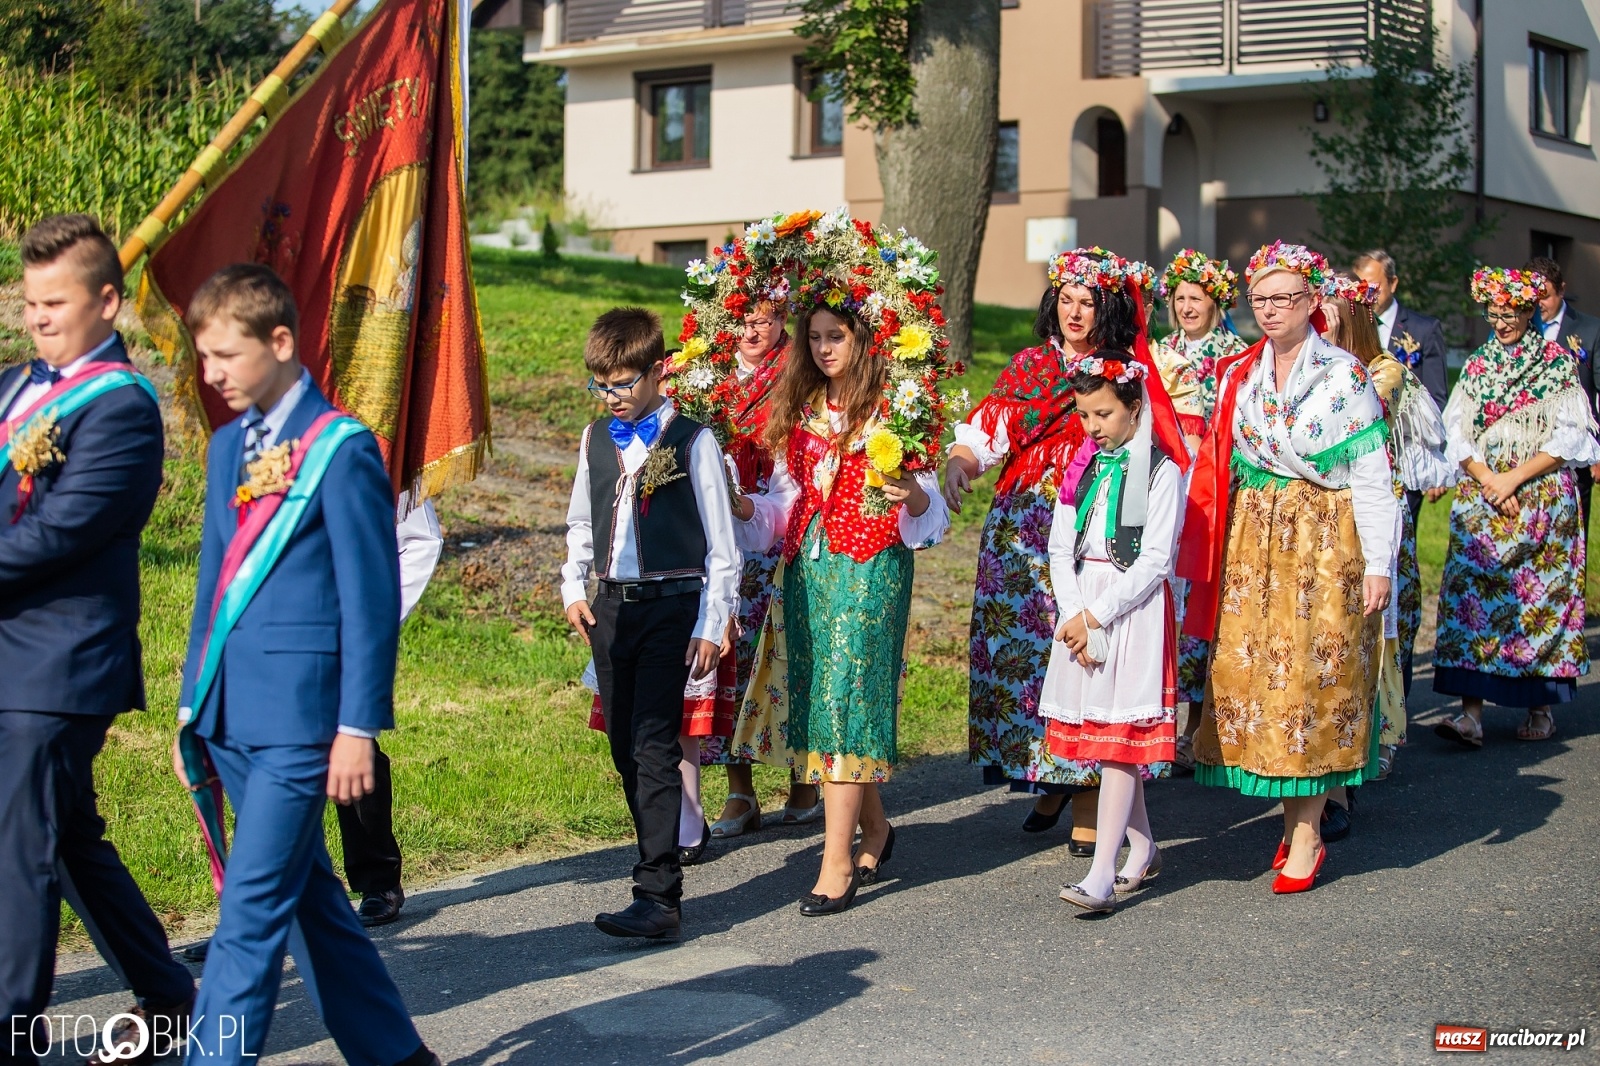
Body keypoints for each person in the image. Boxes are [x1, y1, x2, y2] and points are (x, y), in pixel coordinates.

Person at [173, 264, 438, 1066]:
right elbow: (211, 587)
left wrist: (358, 726)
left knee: (248, 919)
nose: (210, 374)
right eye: (204, 356)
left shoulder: (342, 450)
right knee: (311, 905)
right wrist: (193, 706)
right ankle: (397, 1056)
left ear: (281, 341)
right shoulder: (227, 448)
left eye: (224, 355)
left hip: (300, 725)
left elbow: (369, 596)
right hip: (229, 716)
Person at [0, 214, 195, 1065]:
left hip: (58, 660)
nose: (38, 318)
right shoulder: (14, 386)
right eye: (28, 301)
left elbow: (64, 531)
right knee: (67, 838)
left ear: (107, 302)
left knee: (17, 851)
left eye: (56, 302)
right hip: (10, 652)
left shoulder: (121, 407)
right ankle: (167, 992)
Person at [947, 248, 1186, 854]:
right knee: (1027, 658)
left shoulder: (1125, 374)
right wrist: (960, 463)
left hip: (1095, 529)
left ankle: (1085, 794)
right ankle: (1047, 776)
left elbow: (1152, 452)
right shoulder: (1028, 366)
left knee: (1089, 653)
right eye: (1067, 300)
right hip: (1023, 532)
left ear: (1106, 309)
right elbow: (986, 434)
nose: (1075, 312)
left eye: (1088, 302)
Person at [1180, 241, 1397, 895]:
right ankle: (1289, 823)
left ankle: (1306, 833)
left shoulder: (1344, 377)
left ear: (1311, 302)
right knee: (1260, 682)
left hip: (1324, 540)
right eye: (1261, 300)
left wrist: (1379, 564)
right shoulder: (1241, 374)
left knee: (1306, 682)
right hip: (1256, 539)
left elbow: (1372, 475)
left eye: (1284, 298)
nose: (1271, 311)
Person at [732, 300, 950, 915]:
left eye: (839, 336)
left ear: (865, 338)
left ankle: (834, 862)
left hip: (872, 564)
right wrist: (749, 511)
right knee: (820, 696)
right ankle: (874, 827)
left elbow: (928, 510)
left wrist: (910, 493)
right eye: (817, 337)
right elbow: (786, 499)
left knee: (848, 695)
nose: (826, 348)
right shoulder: (801, 409)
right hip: (809, 566)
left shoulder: (898, 407)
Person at [561, 307, 739, 940]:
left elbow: (723, 546)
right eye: (601, 385)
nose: (612, 397)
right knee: (623, 748)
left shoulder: (694, 440)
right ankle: (656, 864)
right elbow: (582, 522)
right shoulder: (593, 440)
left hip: (673, 605)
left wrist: (712, 623)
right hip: (610, 608)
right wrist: (571, 586)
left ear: (659, 372)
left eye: (624, 384)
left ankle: (658, 891)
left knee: (655, 742)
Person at [1432, 267, 1600, 748]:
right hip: (1485, 497)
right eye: (1493, 313)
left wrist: (1513, 478)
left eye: (1511, 313)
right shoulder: (1481, 365)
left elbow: (1571, 436)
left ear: (1530, 311)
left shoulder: (1554, 362)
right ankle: (1470, 716)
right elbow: (1458, 431)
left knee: (1536, 598)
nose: (1501, 322)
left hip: (1537, 493)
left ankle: (1540, 707)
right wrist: (1487, 478)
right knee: (1473, 594)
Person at [1039, 353, 1180, 915]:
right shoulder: (1084, 465)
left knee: (1120, 742)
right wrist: (1074, 614)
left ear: (1134, 408)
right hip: (1083, 605)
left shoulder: (1161, 470)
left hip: (1129, 610)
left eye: (1103, 413)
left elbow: (1154, 561)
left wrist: (1098, 615)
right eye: (1084, 415)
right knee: (1106, 739)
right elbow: (1058, 544)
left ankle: (1102, 871)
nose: (1092, 426)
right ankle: (1142, 847)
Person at [1318, 275, 1454, 791]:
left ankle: (1382, 732)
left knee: (1380, 624)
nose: (1318, 327)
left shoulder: (1384, 371)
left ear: (1350, 319)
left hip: (1375, 506)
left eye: (1326, 317)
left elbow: (1354, 420)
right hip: (1328, 511)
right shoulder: (1319, 367)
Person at [700, 301, 825, 837]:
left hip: (782, 526)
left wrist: (755, 505)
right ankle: (740, 790)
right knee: (731, 653)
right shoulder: (707, 379)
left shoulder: (800, 376)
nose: (752, 330)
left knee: (789, 654)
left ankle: (804, 779)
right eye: (742, 318)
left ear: (783, 321)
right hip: (722, 533)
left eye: (766, 318)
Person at [1153, 249, 1248, 774]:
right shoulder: (1159, 351)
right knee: (1160, 585)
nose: (1188, 307)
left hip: (1208, 476)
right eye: (1181, 298)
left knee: (1203, 588)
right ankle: (1159, 720)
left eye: (1198, 298)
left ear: (1217, 303)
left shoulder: (1236, 355)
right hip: (1164, 472)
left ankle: (1197, 725)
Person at [338, 493, 443, 925]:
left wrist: (377, 616)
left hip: (342, 623)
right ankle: (253, 907)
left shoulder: (371, 448)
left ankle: (377, 878)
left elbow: (422, 539)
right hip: (263, 625)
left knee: (349, 744)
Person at [1352, 249, 1450, 519]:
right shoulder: (1352, 325)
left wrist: (1432, 453)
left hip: (1406, 452)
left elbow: (1436, 395)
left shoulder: (1422, 329)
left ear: (1393, 284)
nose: (1367, 294)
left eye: (1374, 286)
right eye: (1360, 287)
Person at [1526, 255, 1600, 537]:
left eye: (1545, 296)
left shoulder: (1591, 330)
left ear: (1562, 291)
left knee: (1570, 535)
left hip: (1574, 451)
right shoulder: (1518, 328)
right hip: (1528, 450)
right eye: (1533, 296)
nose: (1538, 304)